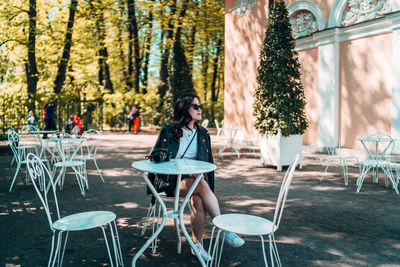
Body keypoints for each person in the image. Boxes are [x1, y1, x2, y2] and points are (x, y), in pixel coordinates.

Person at [149, 93, 244, 262]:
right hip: (170, 181)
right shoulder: (169, 130)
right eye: (196, 107)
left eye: (200, 106)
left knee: (199, 200)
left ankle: (197, 245)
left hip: (194, 181)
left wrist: (195, 173)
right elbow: (157, 156)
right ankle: (223, 227)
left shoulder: (202, 133)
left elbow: (207, 163)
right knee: (200, 184)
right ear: (185, 109)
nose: (200, 110)